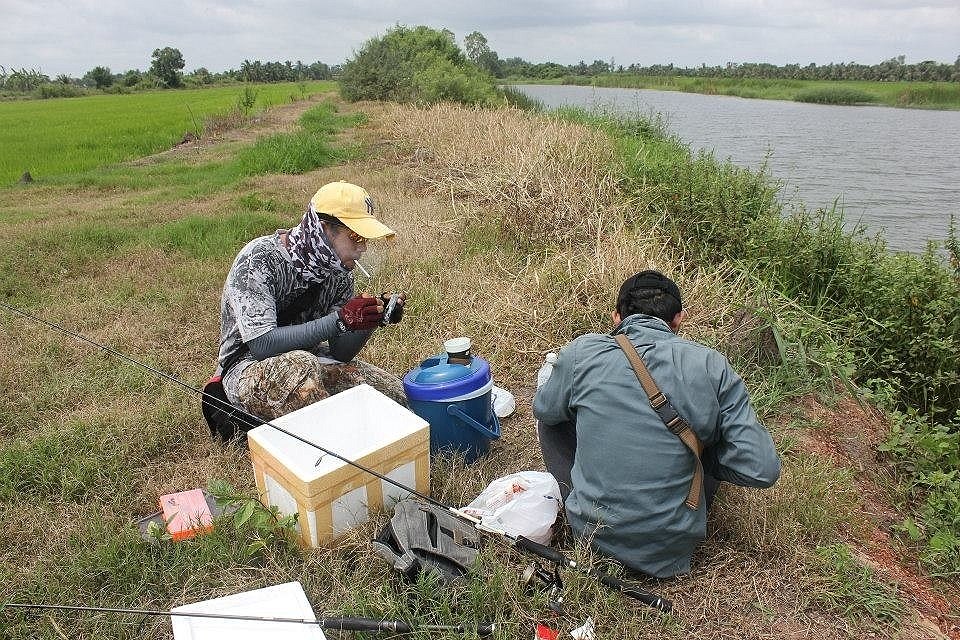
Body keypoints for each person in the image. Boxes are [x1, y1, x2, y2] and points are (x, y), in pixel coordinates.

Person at [533, 270, 781, 578]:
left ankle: (581, 502)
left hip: (592, 537)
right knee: (707, 438)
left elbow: (543, 409)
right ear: (679, 319)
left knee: (551, 420)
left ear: (616, 318)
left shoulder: (582, 353)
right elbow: (762, 469)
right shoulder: (711, 364)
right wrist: (704, 457)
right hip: (672, 548)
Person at [216, 180, 407, 422]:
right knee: (301, 370)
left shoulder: (339, 273)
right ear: (323, 229)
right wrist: (339, 321)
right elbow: (262, 344)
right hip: (248, 365)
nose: (363, 248)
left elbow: (340, 351)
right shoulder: (259, 260)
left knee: (395, 396)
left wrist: (369, 319)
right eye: (355, 237)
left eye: (365, 239)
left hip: (309, 358)